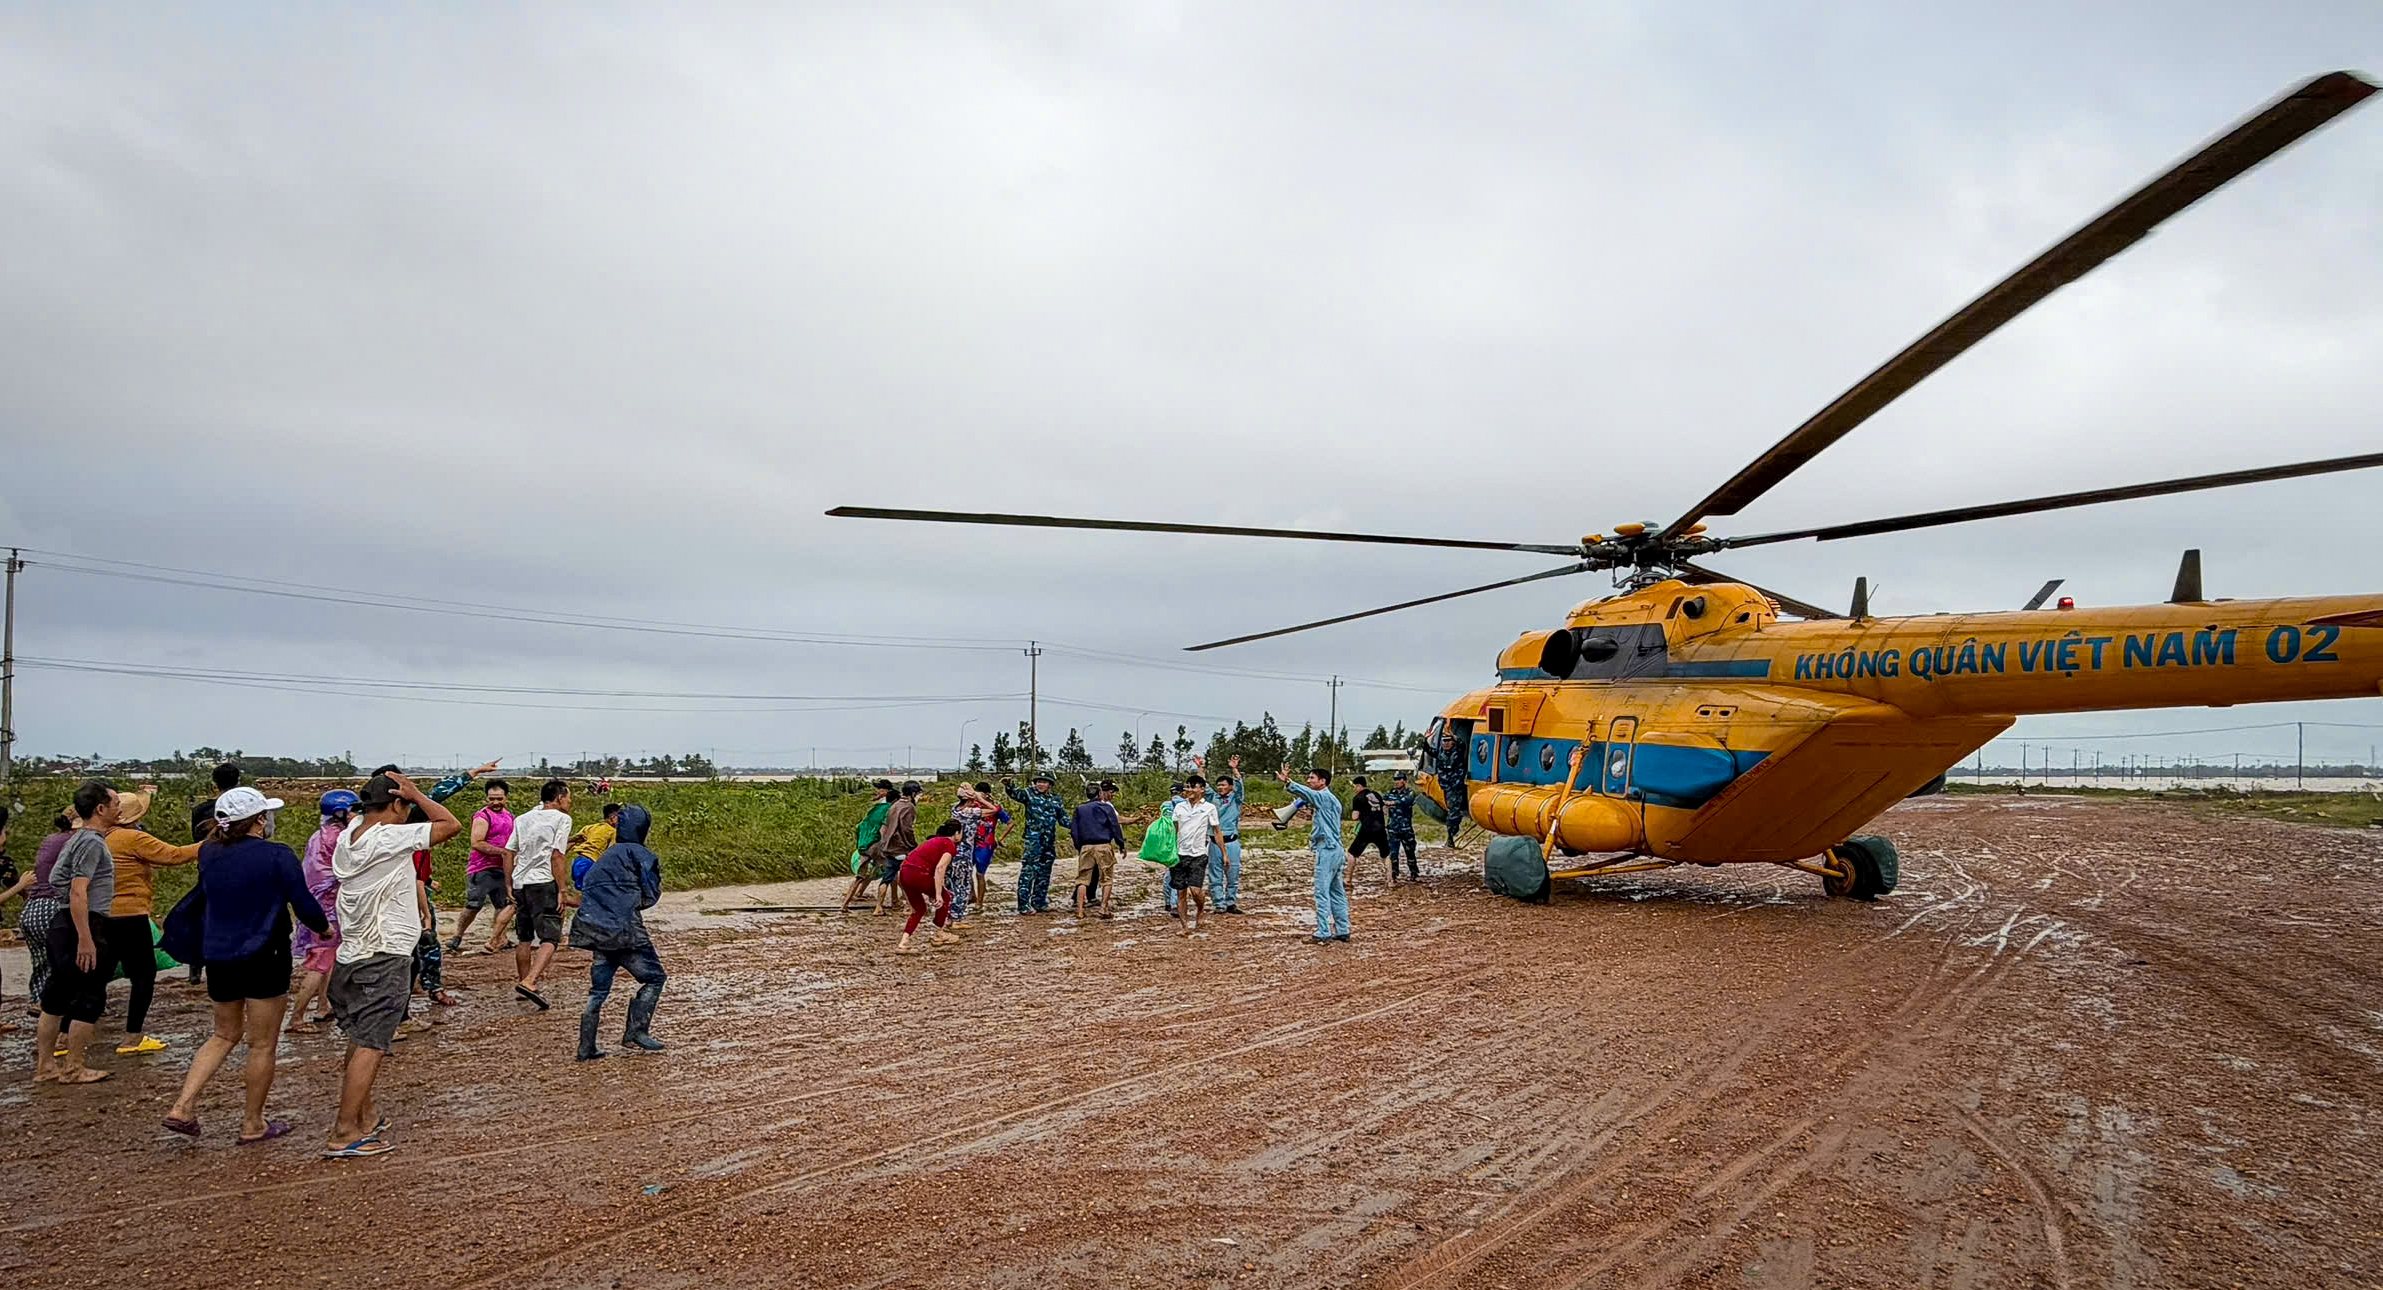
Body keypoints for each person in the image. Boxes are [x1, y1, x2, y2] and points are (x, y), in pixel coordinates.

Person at [161, 787, 328, 1144]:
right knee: (262, 1044)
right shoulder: (277, 854)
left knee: (223, 1034)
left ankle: (182, 1106)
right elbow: (302, 902)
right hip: (265, 955)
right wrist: (324, 929)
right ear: (259, 820)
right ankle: (253, 1124)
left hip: (218, 955)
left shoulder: (209, 852)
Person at [327, 772, 461, 1158]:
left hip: (352, 955)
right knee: (372, 1045)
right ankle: (344, 1132)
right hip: (383, 955)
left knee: (360, 1039)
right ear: (397, 804)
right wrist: (418, 794)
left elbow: (367, 818)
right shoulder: (387, 837)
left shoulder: (349, 836)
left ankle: (363, 1116)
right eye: (405, 804)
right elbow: (449, 825)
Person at [98, 785, 202, 1055]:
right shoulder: (132, 838)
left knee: (97, 977)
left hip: (103, 914)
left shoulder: (102, 838)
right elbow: (174, 855)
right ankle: (132, 1037)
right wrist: (211, 843)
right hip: (131, 915)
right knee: (143, 975)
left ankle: (64, 1036)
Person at [34, 779, 123, 1084]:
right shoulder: (92, 843)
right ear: (100, 809)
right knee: (89, 996)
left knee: (55, 996)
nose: (119, 809)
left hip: (63, 923)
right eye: (115, 804)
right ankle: (74, 1067)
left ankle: (46, 1066)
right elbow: (78, 890)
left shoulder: (74, 839)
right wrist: (86, 939)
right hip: (84, 922)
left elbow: (58, 879)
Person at [571, 804, 666, 1060]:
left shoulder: (604, 857)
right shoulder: (641, 855)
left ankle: (586, 1046)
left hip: (595, 930)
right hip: (625, 931)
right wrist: (631, 904)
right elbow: (650, 894)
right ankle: (636, 1032)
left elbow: (588, 888)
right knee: (654, 978)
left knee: (598, 991)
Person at [287, 790, 358, 1033]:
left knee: (328, 958)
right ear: (340, 813)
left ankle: (322, 1006)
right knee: (319, 963)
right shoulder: (340, 838)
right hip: (329, 908)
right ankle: (297, 1017)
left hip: (318, 904)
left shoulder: (319, 835)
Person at [1278, 766, 1351, 944]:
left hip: (1327, 850)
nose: (1309, 781)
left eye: (1312, 778)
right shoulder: (1331, 799)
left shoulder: (1323, 797)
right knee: (1336, 892)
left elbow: (1308, 794)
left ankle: (1323, 932)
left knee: (1322, 892)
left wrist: (1288, 782)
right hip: (1336, 849)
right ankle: (1343, 929)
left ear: (1322, 781)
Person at [16, 813, 75, 1021]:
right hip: (54, 907)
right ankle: (60, 1012)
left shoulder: (51, 839)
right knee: (66, 963)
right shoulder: (76, 840)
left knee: (42, 962)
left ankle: (38, 1001)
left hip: (33, 909)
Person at [447, 778, 516, 954]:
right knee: (473, 905)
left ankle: (499, 938)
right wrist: (502, 852)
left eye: (499, 798)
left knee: (502, 905)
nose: (495, 802)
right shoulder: (482, 816)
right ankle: (457, 936)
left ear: (506, 798)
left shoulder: (510, 816)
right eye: (492, 799)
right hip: (482, 868)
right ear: (486, 798)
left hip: (503, 868)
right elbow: (477, 842)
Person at [1002, 771, 1068, 915]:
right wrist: (1009, 785)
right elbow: (1016, 794)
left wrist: (1082, 824)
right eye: (1038, 781)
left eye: (1044, 782)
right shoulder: (1029, 794)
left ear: (1050, 784)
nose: (1040, 784)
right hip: (1034, 841)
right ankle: (1024, 905)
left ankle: (1039, 902)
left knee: (1044, 872)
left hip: (1048, 841)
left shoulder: (1056, 799)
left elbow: (1063, 819)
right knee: (1029, 871)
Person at [895, 821, 965, 953]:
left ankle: (903, 942)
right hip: (920, 873)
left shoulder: (933, 841)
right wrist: (938, 894)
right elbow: (940, 868)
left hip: (904, 873)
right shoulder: (949, 845)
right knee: (945, 897)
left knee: (919, 909)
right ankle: (939, 933)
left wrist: (935, 891)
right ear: (956, 833)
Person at [1170, 775, 1226, 935]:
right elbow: (1173, 830)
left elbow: (1217, 831)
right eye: (1187, 787)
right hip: (1180, 855)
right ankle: (1184, 927)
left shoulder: (1209, 808)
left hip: (1199, 854)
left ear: (1202, 789)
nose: (1188, 790)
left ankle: (1200, 910)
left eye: (1192, 787)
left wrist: (1224, 853)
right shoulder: (1179, 807)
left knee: (1195, 891)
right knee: (1181, 892)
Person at [1067, 781, 1128, 920]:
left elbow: (1074, 830)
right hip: (1103, 845)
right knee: (1107, 879)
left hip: (1086, 846)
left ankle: (1080, 910)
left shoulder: (1080, 809)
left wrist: (1079, 846)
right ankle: (1103, 908)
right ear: (1100, 794)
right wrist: (1121, 844)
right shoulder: (1106, 808)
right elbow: (1114, 827)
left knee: (1082, 879)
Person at [840, 781, 894, 913]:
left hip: (864, 845)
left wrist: (861, 843)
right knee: (892, 870)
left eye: (879, 789)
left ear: (885, 792)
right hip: (875, 844)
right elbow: (883, 829)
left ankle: (844, 905)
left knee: (860, 876)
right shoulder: (888, 809)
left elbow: (861, 826)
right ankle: (890, 903)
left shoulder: (875, 809)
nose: (877, 791)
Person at [1203, 757, 1247, 914]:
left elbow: (1240, 786)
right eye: (1219, 785)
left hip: (1231, 842)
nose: (1220, 787)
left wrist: (1234, 769)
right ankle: (1219, 904)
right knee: (1215, 875)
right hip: (1215, 842)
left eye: (1223, 785)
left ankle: (1231, 902)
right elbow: (1203, 786)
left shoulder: (1235, 798)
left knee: (1232, 874)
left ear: (1230, 787)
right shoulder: (1213, 798)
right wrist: (1201, 769)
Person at [875, 782, 920, 915]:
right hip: (902, 847)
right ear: (913, 794)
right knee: (908, 878)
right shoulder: (909, 807)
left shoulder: (894, 805)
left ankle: (878, 907)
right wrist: (913, 845)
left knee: (887, 878)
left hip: (890, 847)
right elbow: (907, 829)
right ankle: (909, 907)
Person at [966, 781, 1009, 912]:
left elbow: (1010, 823)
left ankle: (980, 903)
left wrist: (1000, 838)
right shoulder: (973, 807)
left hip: (985, 845)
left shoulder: (995, 809)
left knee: (980, 874)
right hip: (971, 843)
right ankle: (972, 895)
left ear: (985, 795)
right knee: (966, 871)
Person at [569, 802, 623, 892]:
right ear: (613, 818)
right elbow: (611, 852)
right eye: (620, 818)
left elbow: (573, 840)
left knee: (583, 891)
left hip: (577, 862)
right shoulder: (613, 832)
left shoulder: (590, 827)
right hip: (590, 864)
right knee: (592, 892)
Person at [1431, 728, 1469, 848]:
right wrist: (1426, 739)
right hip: (1447, 787)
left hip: (1456, 787)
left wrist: (1454, 736)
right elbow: (1430, 751)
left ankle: (1451, 837)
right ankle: (1451, 836)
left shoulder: (1457, 751)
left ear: (1453, 742)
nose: (1446, 743)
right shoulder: (1441, 753)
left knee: (1453, 812)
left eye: (1448, 741)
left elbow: (1462, 744)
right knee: (1452, 811)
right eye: (1444, 741)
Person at [1347, 776, 1390, 877]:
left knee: (1351, 853)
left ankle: (1348, 879)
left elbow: (1354, 817)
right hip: (1380, 829)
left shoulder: (1357, 798)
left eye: (1354, 787)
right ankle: (1390, 880)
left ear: (1359, 786)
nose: (1354, 789)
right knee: (1386, 855)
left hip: (1366, 830)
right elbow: (1385, 811)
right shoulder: (1377, 795)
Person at [1384, 771, 1421, 884]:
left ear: (1404, 781)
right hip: (1393, 828)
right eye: (1395, 779)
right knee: (1393, 853)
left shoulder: (1410, 793)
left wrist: (1391, 803)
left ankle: (1414, 873)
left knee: (1410, 852)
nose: (1396, 782)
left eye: (1399, 779)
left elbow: (1405, 802)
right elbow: (1383, 802)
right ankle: (1394, 874)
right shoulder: (1390, 793)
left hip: (1406, 829)